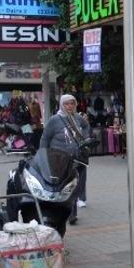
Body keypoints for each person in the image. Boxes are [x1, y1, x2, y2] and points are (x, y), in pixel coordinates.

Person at [41, 94, 91, 226]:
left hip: (78, 157)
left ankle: (72, 214)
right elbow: (45, 138)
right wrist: (42, 155)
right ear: (62, 105)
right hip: (60, 159)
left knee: (74, 186)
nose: (70, 106)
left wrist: (85, 139)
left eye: (72, 103)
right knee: (64, 186)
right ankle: (63, 211)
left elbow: (86, 127)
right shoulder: (54, 120)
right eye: (67, 104)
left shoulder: (78, 118)